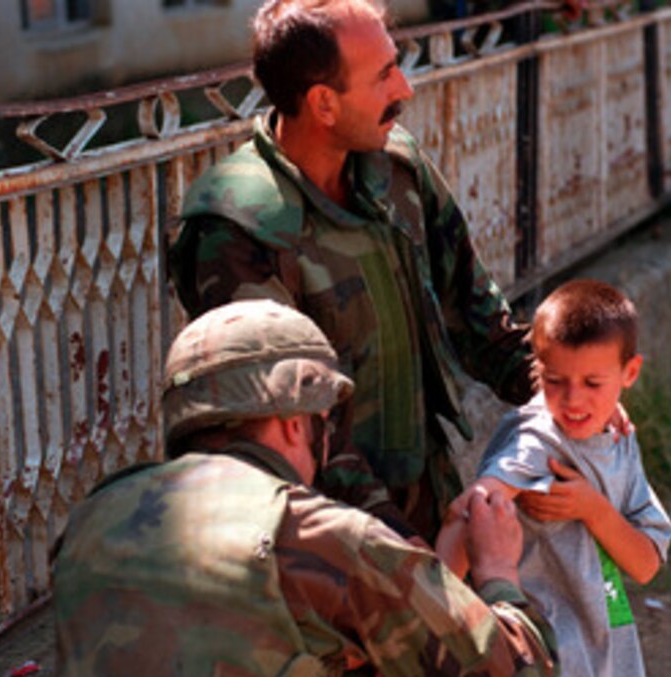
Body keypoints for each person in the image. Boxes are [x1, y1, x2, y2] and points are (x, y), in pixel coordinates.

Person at [49, 299, 559, 677]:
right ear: (295, 424)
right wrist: (498, 571)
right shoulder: (316, 534)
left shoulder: (95, 517)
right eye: (323, 421)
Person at [168, 0, 534, 546]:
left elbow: (476, 314)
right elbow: (286, 417)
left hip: (423, 499)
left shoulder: (397, 169)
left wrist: (560, 391)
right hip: (318, 540)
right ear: (323, 104)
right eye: (384, 75)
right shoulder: (239, 225)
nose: (404, 90)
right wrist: (389, 539)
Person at [437, 279, 671, 677]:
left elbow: (645, 565)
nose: (573, 399)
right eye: (555, 381)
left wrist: (594, 509)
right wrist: (423, 630)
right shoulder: (535, 441)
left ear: (631, 373)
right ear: (536, 370)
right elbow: (472, 511)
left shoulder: (620, 439)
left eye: (592, 382)